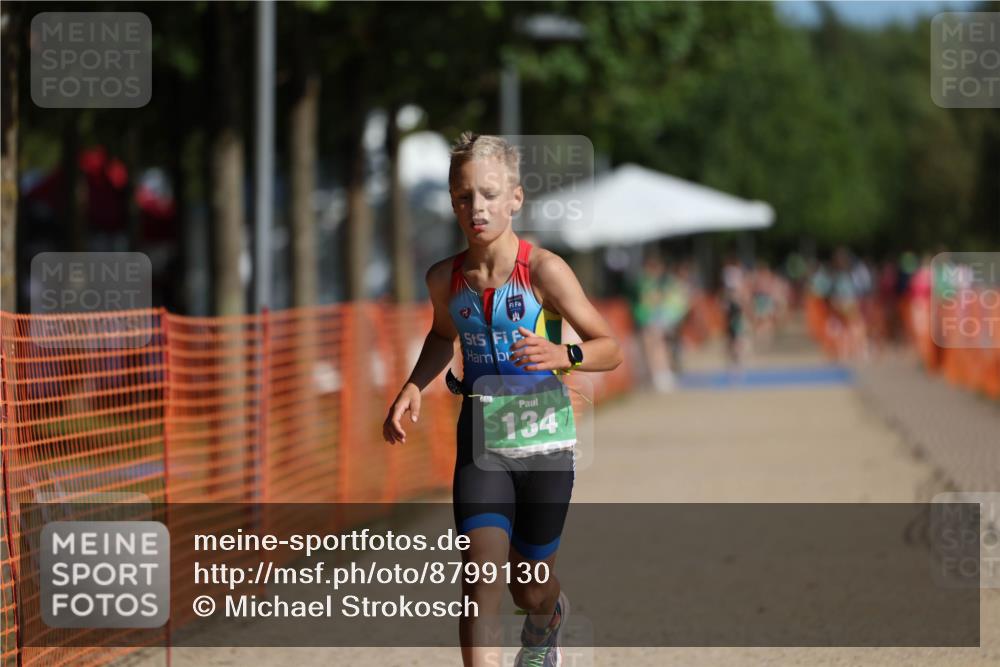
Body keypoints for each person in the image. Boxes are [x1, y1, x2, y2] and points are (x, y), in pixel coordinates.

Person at [382, 132, 623, 667]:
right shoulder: (444, 279)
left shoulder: (544, 271)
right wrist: (412, 386)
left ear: (515, 197)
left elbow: (609, 347)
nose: (477, 208)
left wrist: (564, 355)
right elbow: (443, 336)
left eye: (489, 194)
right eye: (465, 196)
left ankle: (546, 622)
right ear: (452, 201)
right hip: (480, 444)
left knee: (529, 588)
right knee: (479, 579)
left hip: (545, 447)